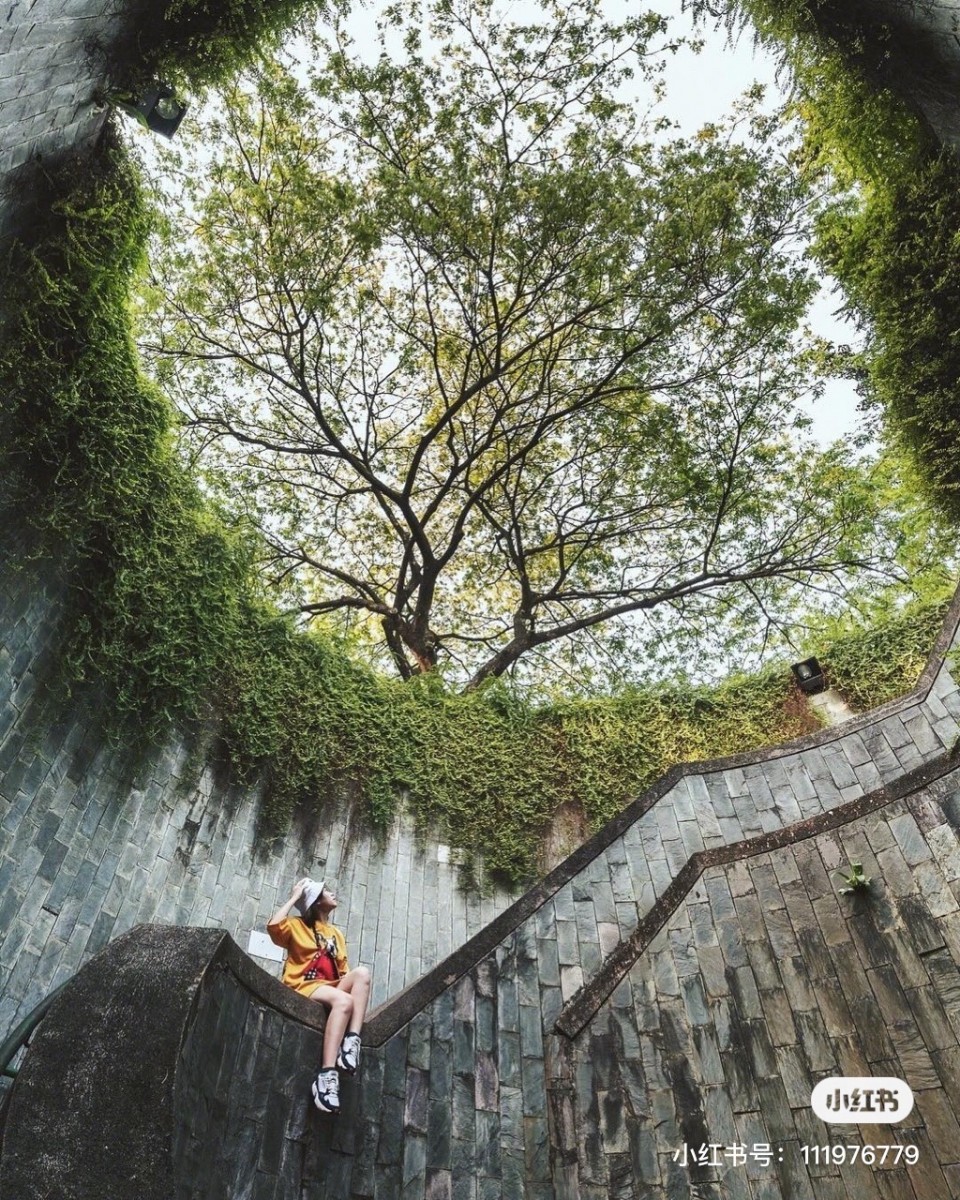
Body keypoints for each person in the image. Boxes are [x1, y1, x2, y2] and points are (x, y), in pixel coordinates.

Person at [267, 877, 372, 1114]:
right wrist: (295, 897)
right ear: (316, 902)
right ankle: (326, 1075)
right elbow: (273, 928)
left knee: (362, 974)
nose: (333, 893)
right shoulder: (297, 926)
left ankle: (351, 1044)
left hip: (329, 986)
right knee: (344, 1001)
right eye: (326, 891)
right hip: (302, 985)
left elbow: (344, 972)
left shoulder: (337, 934)